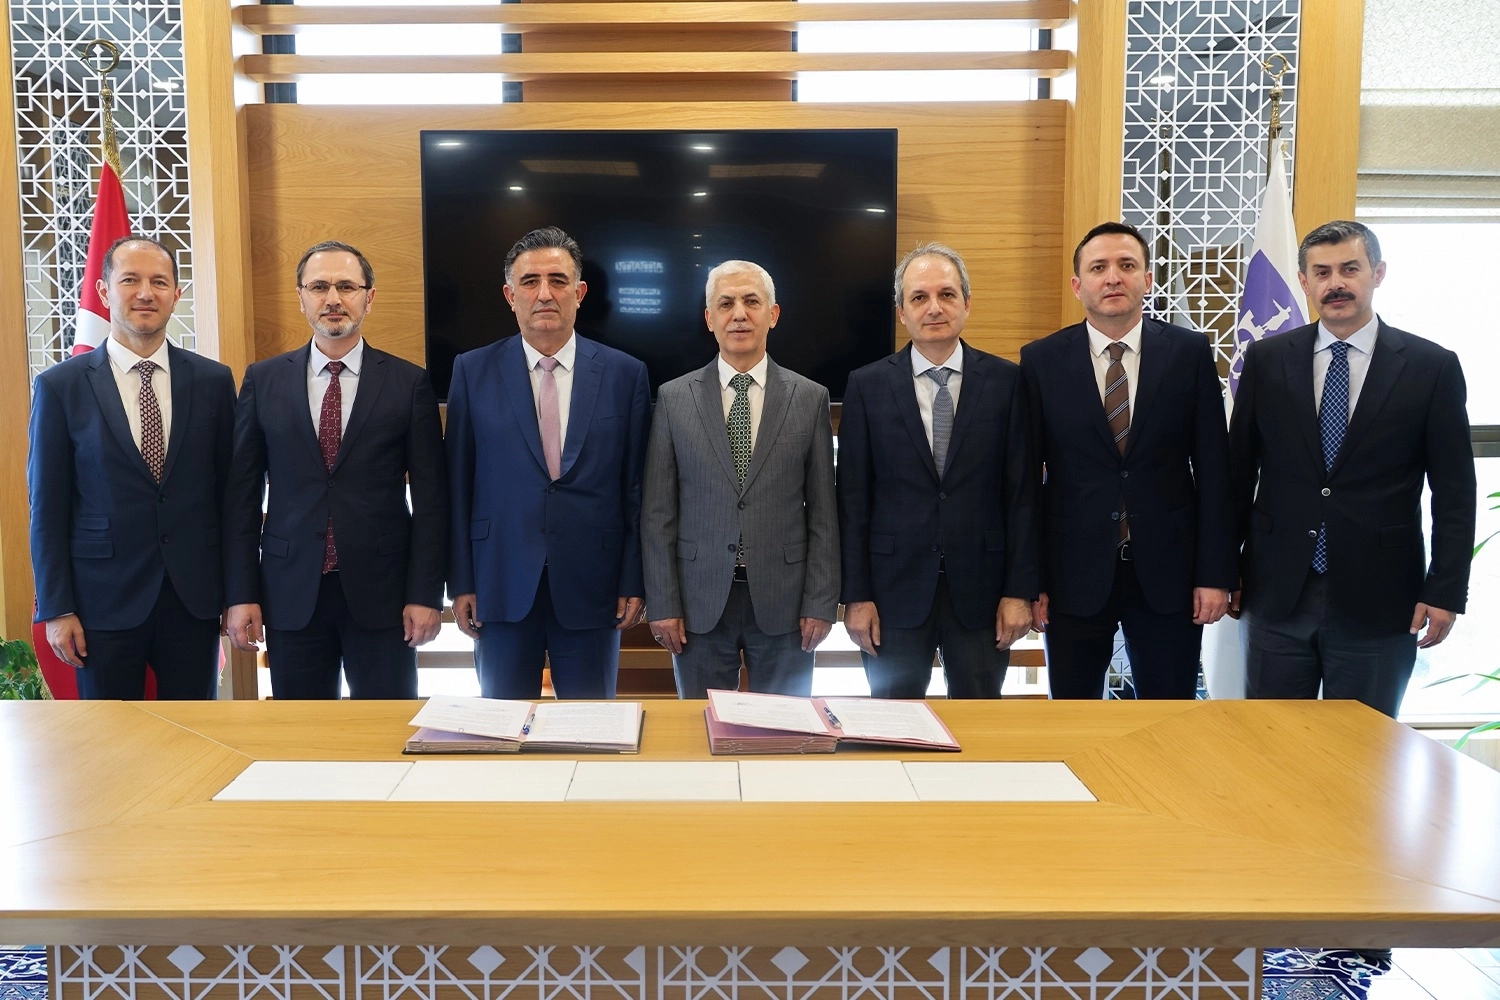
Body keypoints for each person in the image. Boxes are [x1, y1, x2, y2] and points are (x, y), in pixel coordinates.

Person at [1228, 220, 1475, 718]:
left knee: (1366, 748)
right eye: (1321, 272)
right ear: (1303, 281)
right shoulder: (1267, 360)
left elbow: (1454, 492)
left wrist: (1445, 589)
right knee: (1271, 742)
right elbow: (1237, 474)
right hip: (1276, 592)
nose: (1335, 283)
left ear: (1377, 273)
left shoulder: (1431, 367)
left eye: (1349, 269)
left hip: (1382, 599)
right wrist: (1222, 567)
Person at [1020, 221, 1236, 700]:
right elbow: (1025, 483)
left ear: (1148, 279)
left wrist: (1215, 575)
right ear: (1078, 285)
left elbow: (1214, 472)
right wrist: (1031, 582)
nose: (1113, 277)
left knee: (1168, 714)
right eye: (1098, 268)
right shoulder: (1041, 361)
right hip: (1071, 575)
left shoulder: (1189, 353)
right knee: (1073, 716)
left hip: (1170, 574)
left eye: (1126, 265)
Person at [223, 241, 448, 699]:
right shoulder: (263, 381)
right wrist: (241, 593)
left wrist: (426, 594)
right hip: (290, 593)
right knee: (302, 732)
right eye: (319, 287)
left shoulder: (408, 383)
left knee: (385, 729)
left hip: (384, 595)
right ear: (301, 297)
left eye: (346, 286)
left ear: (369, 296)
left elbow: (432, 500)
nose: (333, 299)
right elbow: (241, 499)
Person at [27, 236, 237, 699]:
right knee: (110, 734)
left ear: (176, 295)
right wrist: (57, 607)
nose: (145, 293)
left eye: (159, 282)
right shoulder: (60, 387)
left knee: (193, 731)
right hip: (100, 602)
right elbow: (47, 506)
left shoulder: (213, 381)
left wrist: (237, 592)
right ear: (104, 291)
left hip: (193, 598)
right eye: (130, 280)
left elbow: (231, 497)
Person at [447, 226, 651, 699]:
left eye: (558, 281)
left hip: (595, 586)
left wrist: (633, 578)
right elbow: (457, 484)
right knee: (500, 728)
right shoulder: (471, 371)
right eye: (530, 281)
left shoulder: (625, 374)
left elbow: (636, 489)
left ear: (579, 293)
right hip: (498, 582)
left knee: (590, 728)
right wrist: (461, 581)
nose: (544, 293)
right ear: (509, 295)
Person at [837, 243, 1039, 699]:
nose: (934, 308)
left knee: (979, 722)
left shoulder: (1007, 382)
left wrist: (1019, 591)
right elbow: (852, 499)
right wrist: (856, 596)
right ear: (901, 313)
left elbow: (1022, 494)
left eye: (946, 294)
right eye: (919, 297)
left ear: (967, 303)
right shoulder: (867, 385)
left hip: (984, 593)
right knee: (894, 725)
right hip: (891, 594)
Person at [643, 260, 839, 698]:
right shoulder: (673, 399)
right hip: (698, 601)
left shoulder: (810, 399)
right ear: (709, 318)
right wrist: (664, 602)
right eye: (726, 304)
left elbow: (824, 514)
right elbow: (658, 513)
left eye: (752, 301)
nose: (739, 314)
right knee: (700, 727)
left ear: (773, 314)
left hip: (787, 603)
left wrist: (820, 602)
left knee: (785, 729)